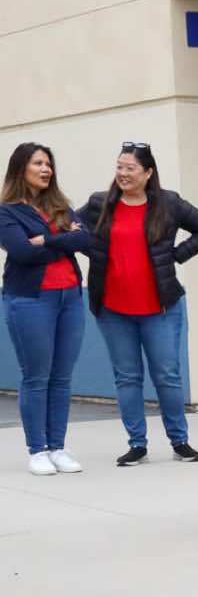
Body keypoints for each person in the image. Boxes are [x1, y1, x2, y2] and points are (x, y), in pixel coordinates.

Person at [73, 143, 198, 466]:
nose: (123, 174)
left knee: (167, 376)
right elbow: (73, 228)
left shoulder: (169, 203)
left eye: (130, 168)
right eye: (119, 167)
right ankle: (137, 444)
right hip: (113, 309)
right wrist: (94, 251)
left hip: (160, 308)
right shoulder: (100, 203)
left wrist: (176, 255)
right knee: (127, 378)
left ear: (148, 172)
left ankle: (180, 441)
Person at [1, 143, 93, 475]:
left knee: (62, 377)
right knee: (37, 376)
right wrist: (64, 239)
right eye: (38, 163)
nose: (46, 169)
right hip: (30, 300)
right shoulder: (7, 211)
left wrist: (48, 240)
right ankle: (37, 450)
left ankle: (58, 447)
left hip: (70, 298)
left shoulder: (60, 205)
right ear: (20, 168)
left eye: (48, 164)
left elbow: (85, 240)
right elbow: (23, 253)